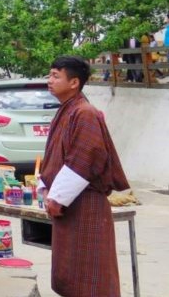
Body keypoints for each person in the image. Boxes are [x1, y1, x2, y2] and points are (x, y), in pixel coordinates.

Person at [40, 55, 130, 297]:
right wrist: (46, 189)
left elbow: (85, 157)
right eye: (50, 75)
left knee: (90, 277)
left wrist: (57, 197)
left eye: (55, 76)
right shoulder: (67, 110)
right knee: (70, 273)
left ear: (74, 83)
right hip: (70, 204)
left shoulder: (84, 112)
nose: (49, 80)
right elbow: (55, 157)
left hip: (85, 204)